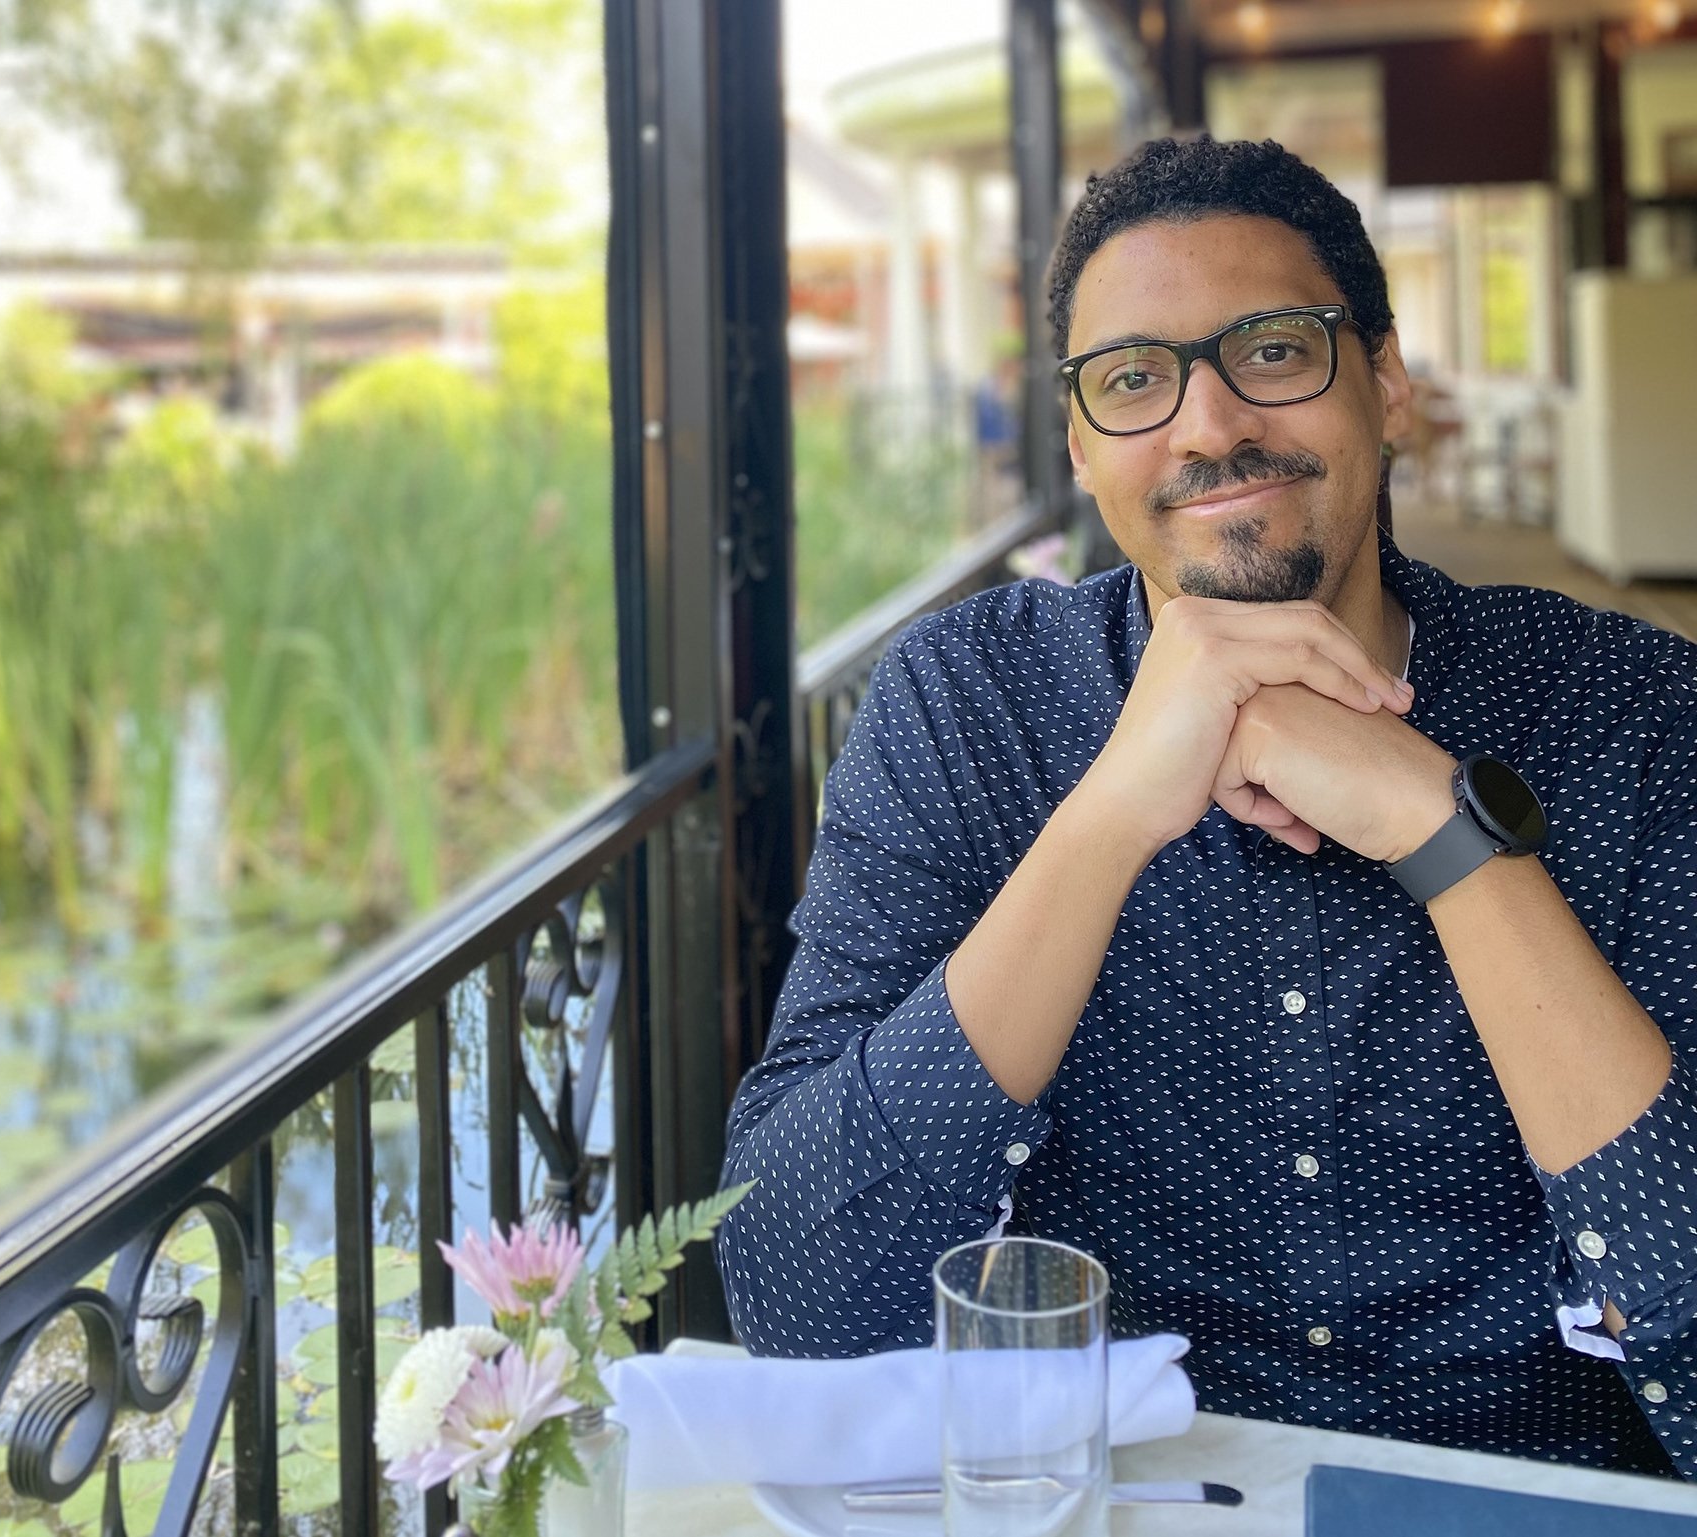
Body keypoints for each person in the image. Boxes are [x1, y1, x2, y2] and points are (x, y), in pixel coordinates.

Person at [715, 135, 1697, 1479]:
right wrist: (1110, 812)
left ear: (1388, 385)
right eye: (1134, 381)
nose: (1209, 423)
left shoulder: (1623, 705)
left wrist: (1449, 835)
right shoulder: (967, 705)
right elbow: (796, 1299)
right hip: (1123, 1497)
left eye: (1276, 352)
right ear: (1079, 445)